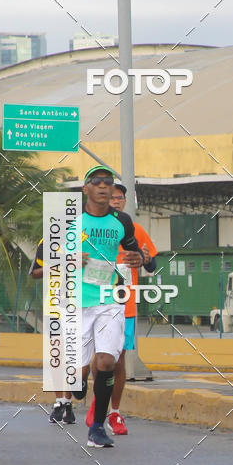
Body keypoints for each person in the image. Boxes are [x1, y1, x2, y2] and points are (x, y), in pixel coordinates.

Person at [71, 166, 145, 448]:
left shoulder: (122, 221)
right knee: (79, 375)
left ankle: (98, 427)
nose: (103, 186)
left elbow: (132, 250)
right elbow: (45, 262)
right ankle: (79, 378)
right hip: (77, 302)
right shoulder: (71, 222)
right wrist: (68, 259)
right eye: (96, 182)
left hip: (109, 301)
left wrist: (136, 258)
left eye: (108, 182)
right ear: (86, 189)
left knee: (107, 362)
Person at [85, 182, 157, 434]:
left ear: (124, 202)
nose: (115, 201)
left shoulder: (132, 228)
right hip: (93, 302)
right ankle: (97, 401)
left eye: (119, 198)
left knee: (118, 360)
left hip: (124, 304)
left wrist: (145, 257)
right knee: (98, 358)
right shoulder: (88, 226)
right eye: (112, 197)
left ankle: (114, 412)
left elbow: (151, 264)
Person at [30, 239, 75, 425]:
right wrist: (56, 266)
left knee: (72, 357)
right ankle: (59, 402)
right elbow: (34, 273)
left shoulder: (83, 237)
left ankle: (68, 401)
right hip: (54, 307)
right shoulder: (46, 242)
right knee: (56, 354)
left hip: (77, 305)